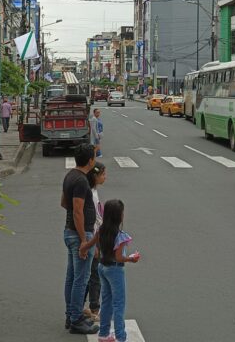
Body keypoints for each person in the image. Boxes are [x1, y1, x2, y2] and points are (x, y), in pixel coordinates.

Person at [82, 199, 140, 342]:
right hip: (115, 270)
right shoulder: (120, 236)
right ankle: (121, 337)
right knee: (119, 304)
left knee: (106, 301)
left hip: (102, 267)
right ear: (119, 216)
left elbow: (92, 244)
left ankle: (103, 334)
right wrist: (131, 259)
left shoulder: (101, 231)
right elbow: (119, 258)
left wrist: (83, 248)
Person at [61, 144, 99, 335]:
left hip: (70, 232)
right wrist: (84, 240)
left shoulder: (70, 176)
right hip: (79, 235)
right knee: (80, 280)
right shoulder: (82, 180)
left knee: (72, 278)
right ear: (90, 161)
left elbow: (63, 203)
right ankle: (75, 319)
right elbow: (77, 210)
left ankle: (71, 314)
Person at [82, 162, 107, 322]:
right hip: (93, 236)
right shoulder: (90, 194)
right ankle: (94, 308)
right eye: (104, 174)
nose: (106, 177)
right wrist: (93, 243)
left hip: (95, 236)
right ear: (95, 176)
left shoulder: (93, 191)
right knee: (94, 274)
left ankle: (80, 305)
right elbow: (91, 219)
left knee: (89, 273)